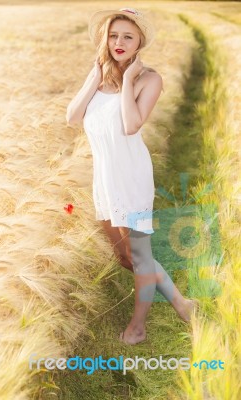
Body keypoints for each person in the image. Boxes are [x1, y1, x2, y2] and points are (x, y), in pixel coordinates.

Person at [66, 7, 199, 345]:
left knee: (139, 255)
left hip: (131, 177)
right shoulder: (96, 74)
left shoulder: (150, 79)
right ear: (105, 39)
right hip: (105, 177)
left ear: (140, 41)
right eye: (113, 35)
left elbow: (130, 124)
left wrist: (127, 82)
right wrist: (96, 79)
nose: (119, 42)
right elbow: (72, 117)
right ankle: (183, 304)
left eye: (127, 36)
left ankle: (138, 327)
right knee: (125, 256)